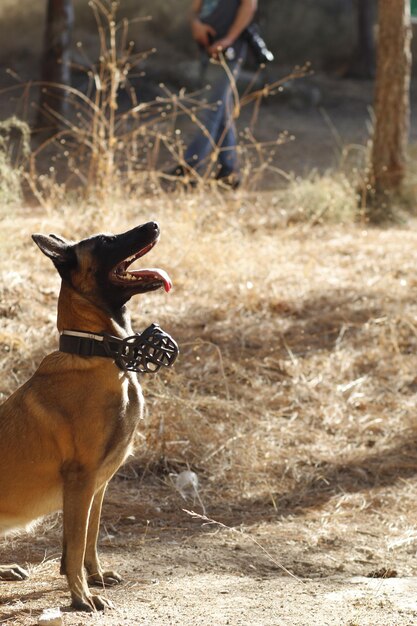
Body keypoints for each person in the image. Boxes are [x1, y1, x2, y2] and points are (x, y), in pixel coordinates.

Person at [174, 0, 258, 187]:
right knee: (221, 109)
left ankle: (190, 169)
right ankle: (229, 171)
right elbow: (194, 10)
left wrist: (228, 40)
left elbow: (249, 6)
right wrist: (196, 24)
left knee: (211, 108)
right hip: (206, 48)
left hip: (228, 52)